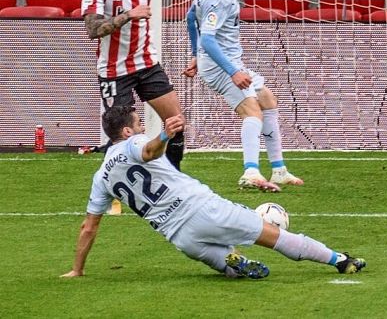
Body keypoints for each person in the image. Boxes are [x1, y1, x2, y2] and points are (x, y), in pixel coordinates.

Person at [60, 106, 366, 279]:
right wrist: (165, 134)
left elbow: (89, 227)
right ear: (126, 132)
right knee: (277, 237)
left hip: (180, 237)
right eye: (139, 124)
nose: (141, 128)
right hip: (203, 209)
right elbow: (151, 151)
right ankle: (339, 260)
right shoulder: (134, 144)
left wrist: (77, 270)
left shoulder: (100, 177)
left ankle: (233, 260)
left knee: (231, 268)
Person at [183, 0, 302, 192]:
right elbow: (208, 38)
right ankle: (251, 171)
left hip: (223, 60)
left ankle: (279, 169)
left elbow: (191, 16)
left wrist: (194, 55)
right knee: (252, 111)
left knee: (268, 100)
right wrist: (233, 71)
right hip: (221, 64)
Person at [81, 0, 187, 216]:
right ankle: (114, 197)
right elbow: (92, 29)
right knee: (121, 136)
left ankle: (173, 183)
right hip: (115, 71)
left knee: (176, 122)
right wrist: (127, 15)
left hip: (147, 64)